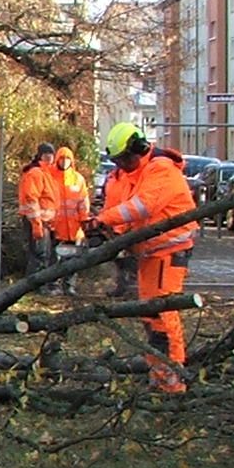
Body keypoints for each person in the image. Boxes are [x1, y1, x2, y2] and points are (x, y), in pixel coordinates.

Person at [94, 120, 200, 392]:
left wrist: (105, 219)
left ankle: (172, 378)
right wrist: (110, 230)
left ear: (139, 149)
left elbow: (143, 206)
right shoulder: (134, 174)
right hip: (151, 252)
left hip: (169, 250)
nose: (122, 165)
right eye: (118, 161)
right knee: (150, 315)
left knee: (163, 314)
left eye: (125, 159)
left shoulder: (160, 169)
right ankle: (159, 373)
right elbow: (126, 209)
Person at [17, 143, 61, 281]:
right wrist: (37, 225)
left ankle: (36, 284)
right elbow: (31, 199)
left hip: (44, 221)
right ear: (40, 155)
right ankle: (35, 285)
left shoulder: (46, 173)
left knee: (42, 254)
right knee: (40, 255)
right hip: (38, 221)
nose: (50, 157)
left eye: (51, 154)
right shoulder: (36, 173)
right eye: (47, 154)